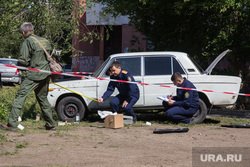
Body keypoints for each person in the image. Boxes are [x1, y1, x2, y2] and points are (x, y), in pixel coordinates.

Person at [0, 22, 56, 131]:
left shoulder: (28, 41)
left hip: (34, 75)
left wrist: (19, 66)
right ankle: (51, 124)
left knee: (20, 97)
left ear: (23, 32)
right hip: (46, 74)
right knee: (43, 98)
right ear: (33, 30)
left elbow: (23, 61)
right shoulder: (45, 41)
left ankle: (12, 124)